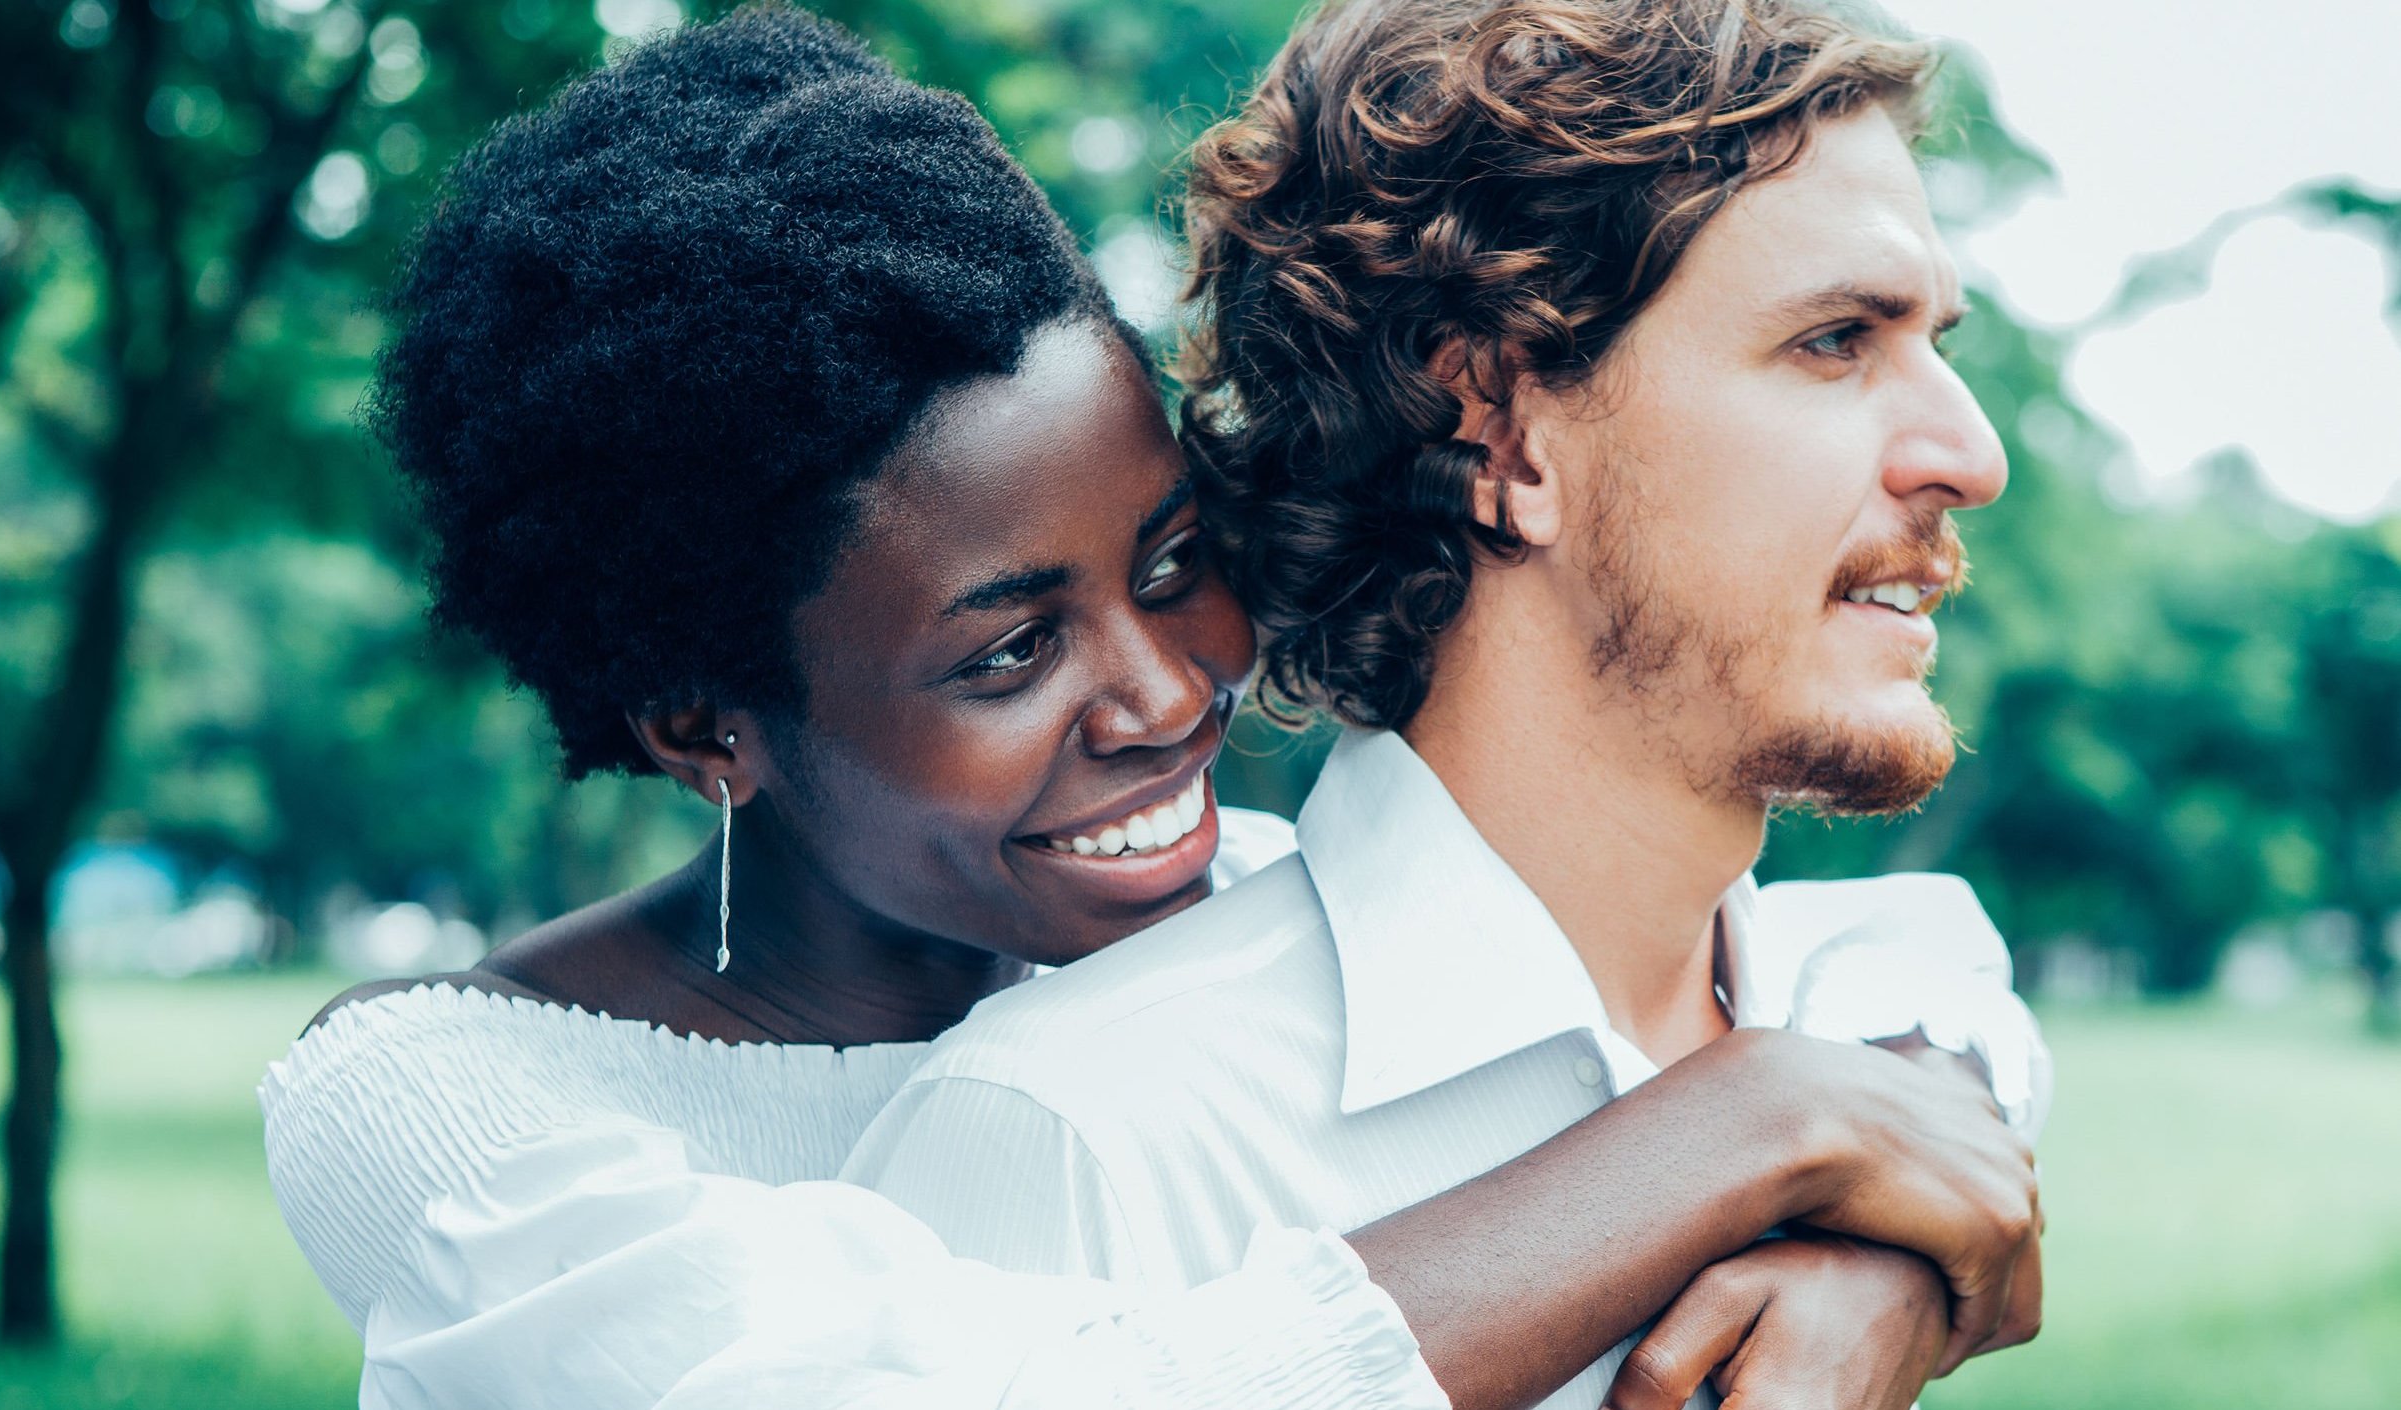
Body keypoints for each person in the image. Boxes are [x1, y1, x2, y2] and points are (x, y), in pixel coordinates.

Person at [261, 8, 2045, 1410]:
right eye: (1005, 653)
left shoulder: (1239, 902)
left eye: (1175, 555)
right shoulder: (458, 1115)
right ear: (704, 728)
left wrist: (1877, 1213)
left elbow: (1899, 959)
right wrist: (1751, 1129)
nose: (1172, 688)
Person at [840, 2, 2045, 1409]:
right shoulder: (1077, 1143)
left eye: (1937, 341)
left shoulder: (1869, 1025)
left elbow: (1943, 975)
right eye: (1836, 340)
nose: (1973, 451)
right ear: (1505, 430)